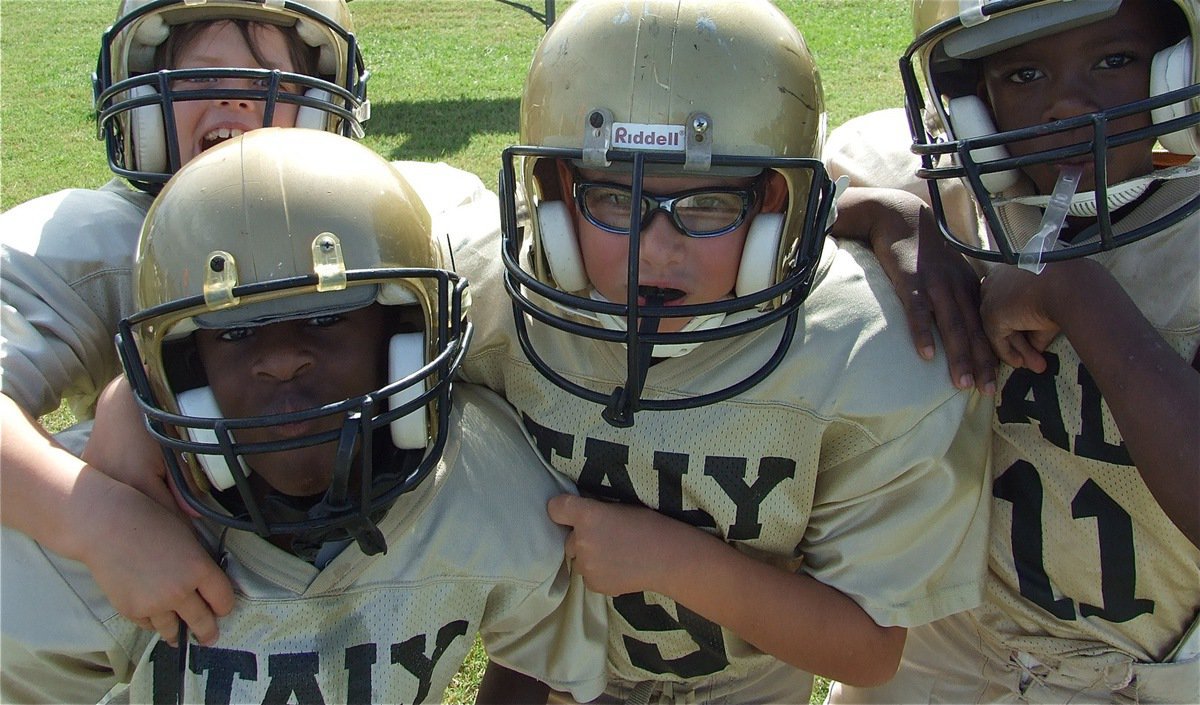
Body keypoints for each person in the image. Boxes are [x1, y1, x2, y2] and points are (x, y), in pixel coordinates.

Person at [442, 1, 995, 702]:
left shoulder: (858, 344)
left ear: (773, 209)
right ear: (552, 197)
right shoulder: (485, 294)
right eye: (614, 197)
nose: (657, 249)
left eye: (707, 205)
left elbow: (867, 650)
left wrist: (672, 560)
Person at [0, 127, 608, 705]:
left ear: (403, 339)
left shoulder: (491, 492)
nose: (282, 358)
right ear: (183, 372)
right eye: (234, 332)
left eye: (326, 317)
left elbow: (539, 653)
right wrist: (97, 521)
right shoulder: (77, 557)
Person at [0, 0, 495, 645]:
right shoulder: (92, 242)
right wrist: (94, 517)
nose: (235, 102)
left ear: (322, 110)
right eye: (203, 79)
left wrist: (136, 392)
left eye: (273, 81)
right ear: (145, 110)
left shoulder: (396, 217)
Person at [825, 0, 1200, 701]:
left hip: (1136, 672)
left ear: (1181, 61)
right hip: (941, 648)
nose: (1067, 105)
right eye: (1023, 72)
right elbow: (750, 209)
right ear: (967, 102)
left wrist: (1074, 293)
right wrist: (880, 212)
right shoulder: (936, 191)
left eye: (1114, 61)